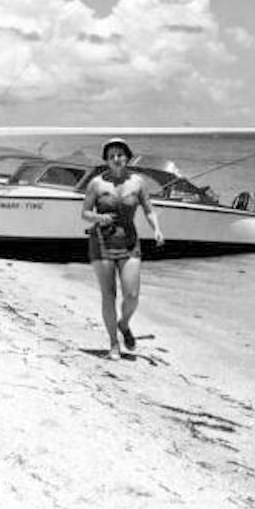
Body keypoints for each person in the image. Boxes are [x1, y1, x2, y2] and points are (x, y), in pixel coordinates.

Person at [81, 137, 165, 361]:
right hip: (101, 241)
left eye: (120, 155)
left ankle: (124, 324)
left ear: (127, 157)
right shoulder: (97, 183)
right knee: (108, 295)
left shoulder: (137, 183)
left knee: (132, 295)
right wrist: (100, 216)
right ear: (107, 160)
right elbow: (85, 213)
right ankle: (113, 343)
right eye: (111, 156)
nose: (116, 159)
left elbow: (148, 209)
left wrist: (156, 229)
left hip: (129, 242)